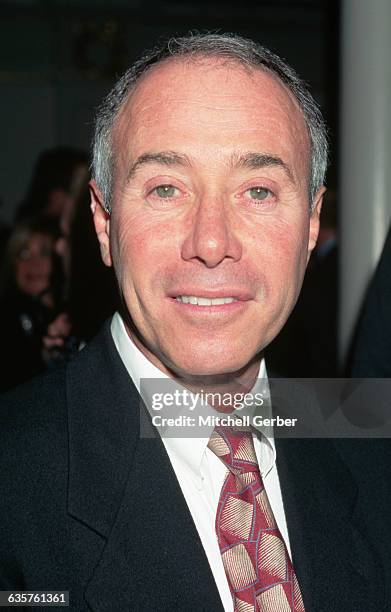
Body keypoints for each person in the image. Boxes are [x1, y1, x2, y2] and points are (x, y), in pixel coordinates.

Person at [1, 33, 390, 612]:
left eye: (257, 191)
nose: (211, 242)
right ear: (104, 223)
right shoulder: (14, 481)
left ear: (311, 225)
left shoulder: (366, 442)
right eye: (166, 189)